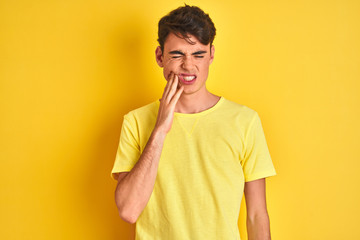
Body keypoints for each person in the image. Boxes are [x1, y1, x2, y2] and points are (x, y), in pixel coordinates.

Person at [111, 4, 276, 240]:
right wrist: (160, 130)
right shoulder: (135, 122)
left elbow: (257, 215)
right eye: (177, 54)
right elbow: (128, 210)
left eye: (198, 54)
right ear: (160, 57)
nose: (188, 65)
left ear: (211, 55)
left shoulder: (245, 121)